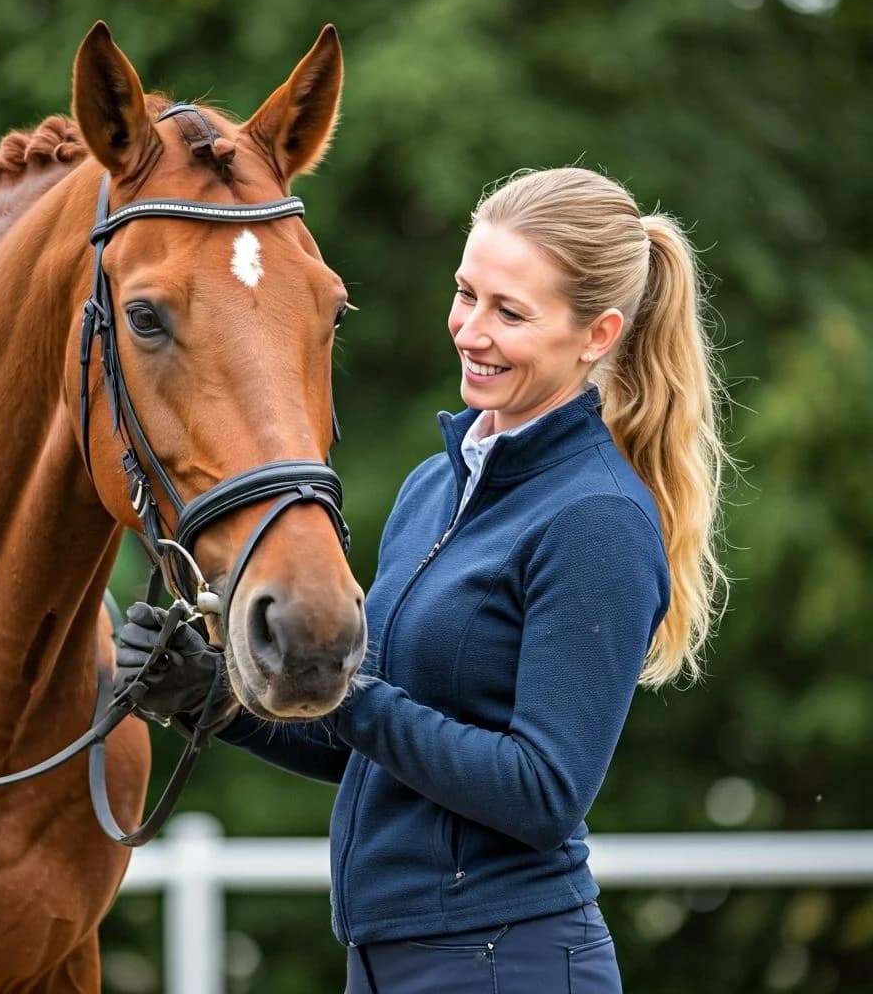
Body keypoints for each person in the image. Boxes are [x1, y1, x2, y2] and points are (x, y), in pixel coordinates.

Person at [116, 166, 728, 992]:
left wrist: (343, 688)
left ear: (597, 335)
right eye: (466, 293)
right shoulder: (433, 487)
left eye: (510, 312)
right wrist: (213, 699)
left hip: (504, 961)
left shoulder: (596, 518)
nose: (471, 330)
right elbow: (379, 758)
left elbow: (543, 793)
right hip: (389, 960)